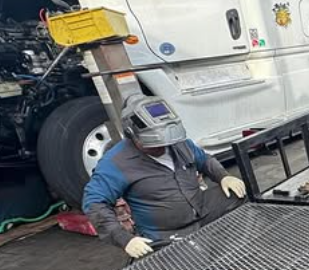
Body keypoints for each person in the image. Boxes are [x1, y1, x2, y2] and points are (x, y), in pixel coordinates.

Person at [82, 94, 246, 259]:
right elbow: (94, 202)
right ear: (133, 135)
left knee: (239, 194)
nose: (163, 147)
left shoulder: (176, 142)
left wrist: (223, 176)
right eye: (155, 145)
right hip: (165, 232)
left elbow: (204, 160)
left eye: (166, 143)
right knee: (195, 266)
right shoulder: (116, 162)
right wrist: (124, 239)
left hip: (201, 209)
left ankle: (223, 247)